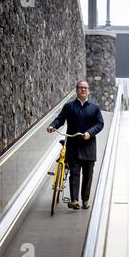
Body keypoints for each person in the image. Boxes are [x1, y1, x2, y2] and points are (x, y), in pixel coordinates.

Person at [47, 81, 104, 210]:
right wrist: (52, 126)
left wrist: (90, 132)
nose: (83, 90)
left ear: (88, 90)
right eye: (81, 88)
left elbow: (100, 124)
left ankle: (85, 199)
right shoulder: (69, 106)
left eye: (85, 88)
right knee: (74, 173)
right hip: (73, 146)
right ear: (76, 90)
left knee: (88, 175)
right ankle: (74, 200)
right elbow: (60, 119)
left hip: (89, 146)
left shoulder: (95, 108)